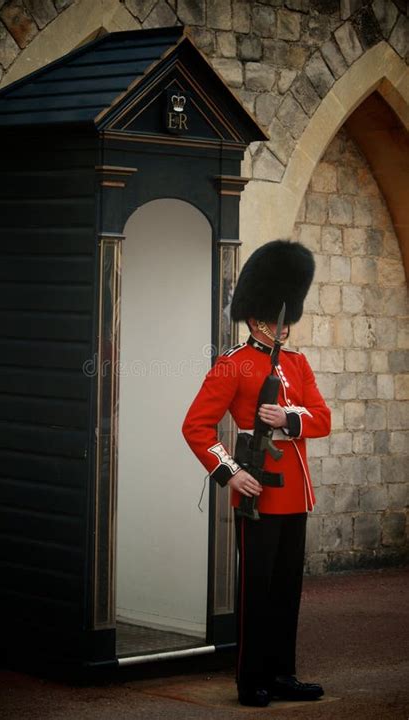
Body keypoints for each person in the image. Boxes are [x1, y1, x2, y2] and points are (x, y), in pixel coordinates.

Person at [182, 240, 331, 707]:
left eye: (285, 319)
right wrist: (230, 474)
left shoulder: (298, 364)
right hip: (259, 493)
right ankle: (251, 680)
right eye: (273, 319)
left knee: (288, 590)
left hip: (296, 495)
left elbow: (322, 419)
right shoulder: (234, 365)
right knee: (256, 592)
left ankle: (283, 673)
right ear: (255, 318)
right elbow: (196, 427)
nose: (282, 328)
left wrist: (287, 418)